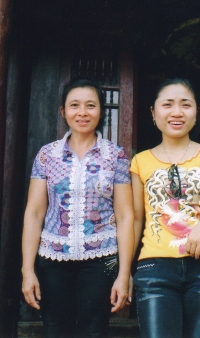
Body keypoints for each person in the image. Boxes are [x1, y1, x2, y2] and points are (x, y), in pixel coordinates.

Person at [130, 78, 200, 338]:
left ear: (196, 112)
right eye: (167, 104)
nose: (177, 112)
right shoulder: (140, 162)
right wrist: (124, 271)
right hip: (154, 267)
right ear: (153, 112)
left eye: (186, 105)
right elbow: (136, 220)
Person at [21, 77, 134, 337]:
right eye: (74, 105)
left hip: (101, 258)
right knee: (55, 330)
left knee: (93, 332)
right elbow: (34, 212)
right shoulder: (47, 155)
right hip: (53, 257)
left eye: (90, 106)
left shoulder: (115, 155)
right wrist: (28, 270)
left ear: (101, 111)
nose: (82, 113)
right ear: (63, 111)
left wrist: (124, 273)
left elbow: (126, 215)